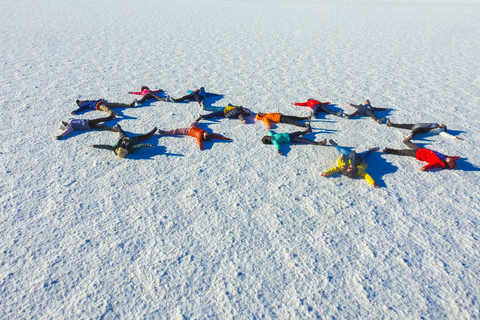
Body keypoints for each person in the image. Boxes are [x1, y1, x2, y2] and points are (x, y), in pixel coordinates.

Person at [382, 137, 460, 171]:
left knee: (403, 151)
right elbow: (452, 157)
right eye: (453, 159)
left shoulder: (438, 163)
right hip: (423, 150)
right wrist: (456, 157)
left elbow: (431, 165)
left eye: (452, 160)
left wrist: (425, 168)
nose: (452, 159)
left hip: (419, 154)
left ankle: (388, 150)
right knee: (411, 145)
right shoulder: (446, 157)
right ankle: (406, 141)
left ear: (448, 163)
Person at [90, 125, 157, 158]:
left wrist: (95, 146)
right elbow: (138, 146)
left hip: (123, 138)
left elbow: (105, 146)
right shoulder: (130, 149)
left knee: (122, 133)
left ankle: (119, 129)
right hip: (134, 139)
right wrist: (148, 145)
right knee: (145, 136)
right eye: (123, 148)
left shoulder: (115, 148)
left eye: (120, 147)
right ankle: (152, 132)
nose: (122, 147)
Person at [158, 120, 231, 150]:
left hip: (188, 131)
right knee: (195, 122)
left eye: (206, 134)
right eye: (207, 133)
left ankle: (164, 133)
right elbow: (216, 136)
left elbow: (199, 140)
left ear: (204, 136)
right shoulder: (207, 134)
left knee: (176, 131)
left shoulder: (199, 135)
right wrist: (225, 138)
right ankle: (198, 119)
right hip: (195, 127)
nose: (207, 132)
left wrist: (201, 145)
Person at [261, 126, 326, 155]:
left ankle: (307, 131)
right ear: (268, 140)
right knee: (305, 140)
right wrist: (278, 150)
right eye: (267, 137)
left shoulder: (272, 136)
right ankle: (319, 143)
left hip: (289, 134)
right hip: (291, 139)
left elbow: (270, 133)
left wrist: (269, 130)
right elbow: (277, 145)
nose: (268, 136)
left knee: (299, 132)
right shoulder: (274, 141)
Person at [386, 120, 463, 140]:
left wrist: (455, 137)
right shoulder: (436, 124)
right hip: (417, 125)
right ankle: (391, 124)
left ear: (444, 128)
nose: (442, 124)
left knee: (417, 130)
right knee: (404, 125)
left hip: (423, 129)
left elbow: (447, 135)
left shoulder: (440, 131)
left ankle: (410, 137)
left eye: (443, 125)